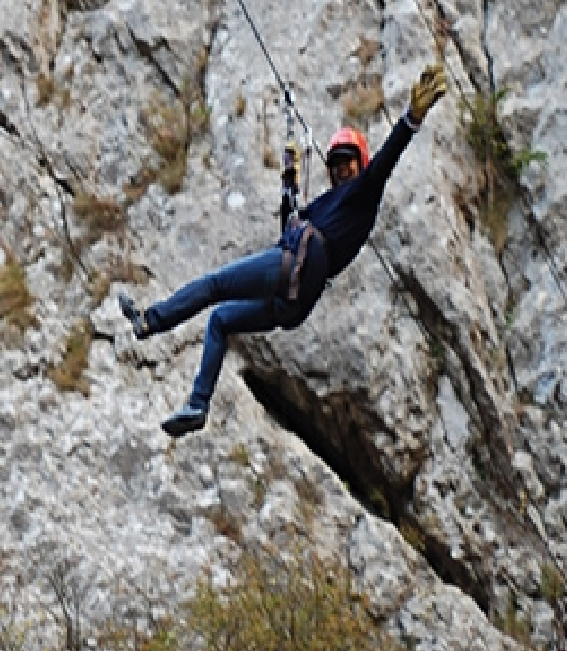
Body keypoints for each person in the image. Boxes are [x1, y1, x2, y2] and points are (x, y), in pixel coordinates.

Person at [119, 63, 447, 436]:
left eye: (347, 163)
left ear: (361, 165)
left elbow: (386, 161)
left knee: (214, 285)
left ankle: (150, 321)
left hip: (303, 266)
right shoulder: (326, 204)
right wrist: (289, 180)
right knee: (221, 319)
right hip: (295, 295)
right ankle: (198, 405)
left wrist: (411, 118)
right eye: (335, 165)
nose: (341, 170)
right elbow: (288, 229)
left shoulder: (364, 194)